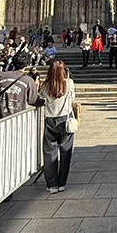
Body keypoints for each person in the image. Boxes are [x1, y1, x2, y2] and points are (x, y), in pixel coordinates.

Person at [39, 60, 76, 193]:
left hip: (51, 119)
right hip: (65, 119)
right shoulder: (69, 83)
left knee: (50, 152)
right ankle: (62, 182)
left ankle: (52, 184)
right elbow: (72, 99)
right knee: (66, 152)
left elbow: (41, 96)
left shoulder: (45, 86)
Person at [0, 50, 39, 124]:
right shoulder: (28, 81)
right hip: (15, 121)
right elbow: (34, 100)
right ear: (27, 65)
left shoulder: (1, 76)